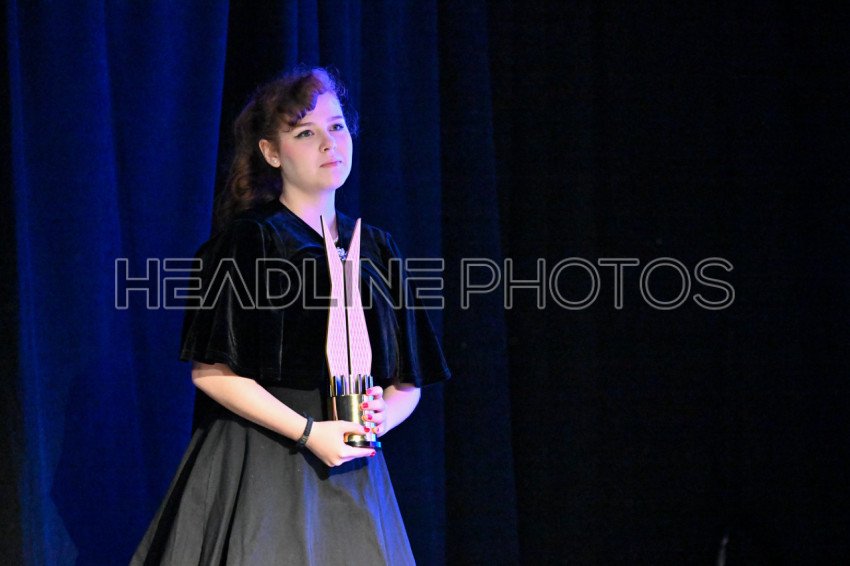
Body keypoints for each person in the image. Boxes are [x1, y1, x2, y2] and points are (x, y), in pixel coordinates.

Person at [131, 67, 450, 565]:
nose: (328, 143)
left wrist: (381, 416)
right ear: (271, 152)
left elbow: (409, 381)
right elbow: (211, 372)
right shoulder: (249, 240)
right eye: (305, 132)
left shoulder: (376, 247)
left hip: (353, 468)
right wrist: (308, 432)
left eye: (337, 126)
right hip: (266, 458)